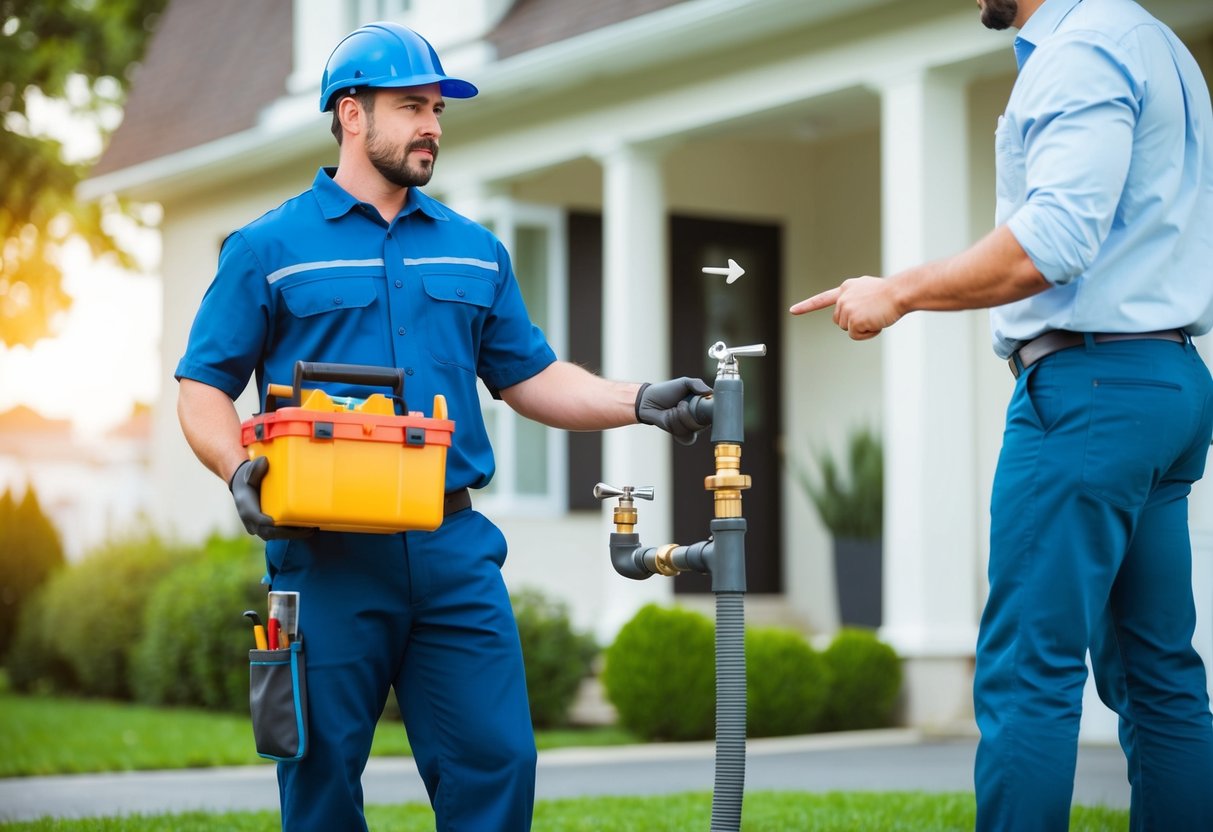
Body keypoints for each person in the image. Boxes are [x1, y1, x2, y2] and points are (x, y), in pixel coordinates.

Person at [175, 21, 710, 832]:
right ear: (350, 115)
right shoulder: (267, 249)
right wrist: (234, 467)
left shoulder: (474, 251)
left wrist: (637, 399)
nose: (430, 125)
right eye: (410, 106)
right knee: (317, 771)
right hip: (324, 554)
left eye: (436, 109)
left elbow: (530, 376)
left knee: (497, 761)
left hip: (451, 548)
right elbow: (201, 387)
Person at [789, 0, 1213, 829]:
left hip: (1090, 390)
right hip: (1163, 381)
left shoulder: (1082, 48)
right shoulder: (1154, 44)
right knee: (1158, 673)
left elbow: (1050, 238)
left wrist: (897, 291)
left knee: (1028, 667)